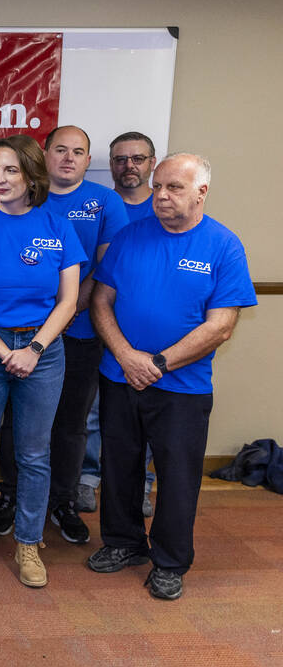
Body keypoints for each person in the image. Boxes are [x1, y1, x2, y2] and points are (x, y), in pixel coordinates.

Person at [88, 153, 255, 600]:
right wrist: (126, 356)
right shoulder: (129, 236)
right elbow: (101, 301)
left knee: (178, 477)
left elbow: (220, 325)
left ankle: (169, 561)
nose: (160, 195)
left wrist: (156, 364)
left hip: (182, 387)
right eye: (158, 186)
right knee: (118, 467)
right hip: (120, 376)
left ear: (201, 192)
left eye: (173, 188)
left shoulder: (223, 245)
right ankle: (124, 543)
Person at [0, 136, 84, 588]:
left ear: (31, 177)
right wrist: (5, 353)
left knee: (34, 454)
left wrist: (34, 350)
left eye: (10, 171)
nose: (0, 179)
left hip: (42, 350)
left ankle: (28, 543)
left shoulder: (59, 226)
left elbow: (68, 302)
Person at [0, 126, 127, 546]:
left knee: (70, 424)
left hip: (80, 331)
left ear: (89, 160)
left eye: (79, 152)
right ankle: (10, 495)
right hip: (23, 334)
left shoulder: (106, 201)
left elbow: (106, 269)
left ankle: (63, 501)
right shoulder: (24, 198)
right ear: (43, 155)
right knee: (16, 423)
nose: (69, 158)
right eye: (60, 149)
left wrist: (66, 313)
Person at [79, 131, 160, 514]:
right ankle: (88, 477)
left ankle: (141, 484)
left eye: (137, 158)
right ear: (109, 164)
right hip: (98, 320)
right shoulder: (98, 205)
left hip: (144, 331)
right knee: (93, 410)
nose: (129, 166)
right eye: (120, 159)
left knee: (142, 411)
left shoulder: (162, 209)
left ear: (152, 163)